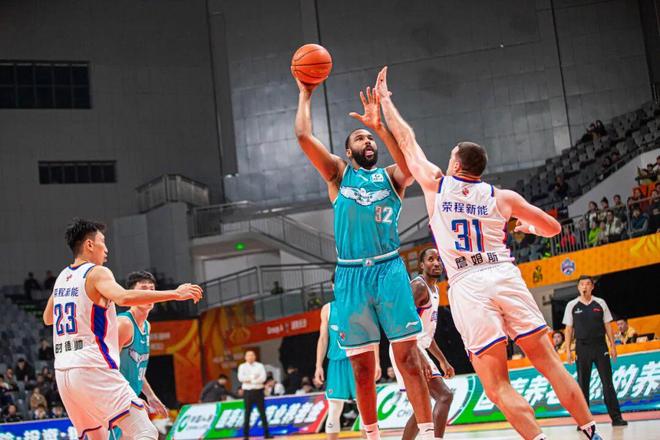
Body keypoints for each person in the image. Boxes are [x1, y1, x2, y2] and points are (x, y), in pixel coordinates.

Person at [375, 66, 601, 440]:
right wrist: (525, 227)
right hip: (503, 273)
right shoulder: (503, 197)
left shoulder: (437, 184)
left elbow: (407, 140)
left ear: (456, 164)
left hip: (468, 283)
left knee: (497, 385)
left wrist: (385, 101)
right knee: (551, 365)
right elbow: (553, 228)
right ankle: (591, 431)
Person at [294, 72, 433, 440]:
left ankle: (428, 433)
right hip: (351, 275)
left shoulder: (392, 177)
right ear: (348, 151)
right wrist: (305, 93)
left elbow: (411, 165)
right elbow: (304, 137)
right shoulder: (338, 175)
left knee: (408, 360)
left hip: (389, 270)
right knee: (362, 368)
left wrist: (380, 126)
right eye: (360, 138)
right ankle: (372, 435)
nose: (367, 141)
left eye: (369, 138)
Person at [42, 218, 202, 440]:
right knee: (146, 431)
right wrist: (175, 294)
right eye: (103, 242)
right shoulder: (97, 273)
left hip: (64, 373)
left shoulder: (62, 277)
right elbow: (124, 297)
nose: (106, 249)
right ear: (89, 245)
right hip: (92, 367)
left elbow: (48, 318)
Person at [389, 247, 455, 440]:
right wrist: (420, 357)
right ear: (421, 265)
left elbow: (427, 334)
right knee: (444, 396)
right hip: (406, 346)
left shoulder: (435, 289)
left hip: (416, 346)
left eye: (438, 259)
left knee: (423, 406)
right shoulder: (418, 287)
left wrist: (442, 361)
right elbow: (401, 323)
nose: (436, 263)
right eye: (430, 259)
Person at [111, 271, 169, 439]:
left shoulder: (146, 326)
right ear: (131, 294)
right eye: (143, 289)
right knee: (148, 433)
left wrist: (150, 396)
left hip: (127, 399)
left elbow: (137, 369)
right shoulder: (124, 324)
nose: (149, 293)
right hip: (114, 399)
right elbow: (107, 366)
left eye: (152, 289)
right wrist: (129, 398)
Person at [563, 276, 627, 426]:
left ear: (592, 287)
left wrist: (612, 346)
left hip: (600, 347)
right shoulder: (572, 305)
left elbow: (608, 326)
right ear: (578, 287)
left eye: (587, 284)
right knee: (583, 385)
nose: (584, 286)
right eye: (582, 284)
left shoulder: (600, 303)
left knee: (607, 383)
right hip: (582, 348)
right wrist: (568, 351)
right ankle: (584, 421)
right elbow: (568, 329)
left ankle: (616, 418)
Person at [314, 296, 381, 440]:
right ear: (333, 287)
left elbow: (371, 335)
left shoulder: (360, 305)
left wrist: (377, 362)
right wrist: (318, 365)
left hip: (358, 359)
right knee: (334, 408)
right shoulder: (327, 309)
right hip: (336, 363)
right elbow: (323, 338)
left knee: (364, 407)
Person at [237, 350, 272, 439]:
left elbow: (263, 378)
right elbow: (241, 378)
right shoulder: (242, 366)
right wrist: (253, 377)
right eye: (248, 355)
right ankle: (246, 436)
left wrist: (250, 380)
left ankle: (267, 434)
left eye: (252, 355)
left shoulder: (260, 366)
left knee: (262, 413)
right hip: (248, 392)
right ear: (245, 357)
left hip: (259, 391)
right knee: (247, 413)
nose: (250, 357)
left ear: (255, 356)